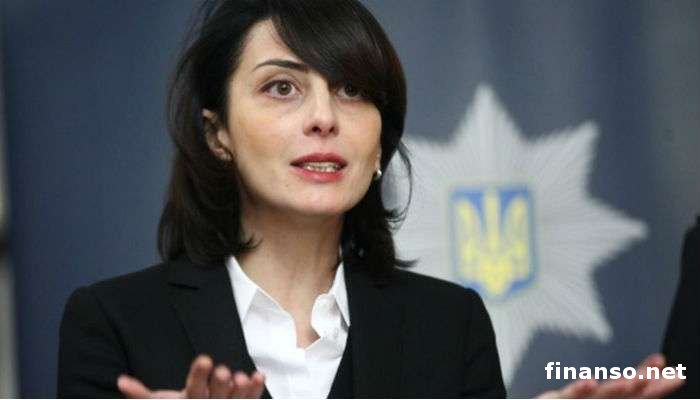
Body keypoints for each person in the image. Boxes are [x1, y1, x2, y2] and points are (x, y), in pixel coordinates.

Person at [57, 0, 684, 398]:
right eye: (282, 88)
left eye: (353, 90)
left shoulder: (450, 324)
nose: (324, 117)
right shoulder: (114, 324)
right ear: (217, 133)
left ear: (381, 138)